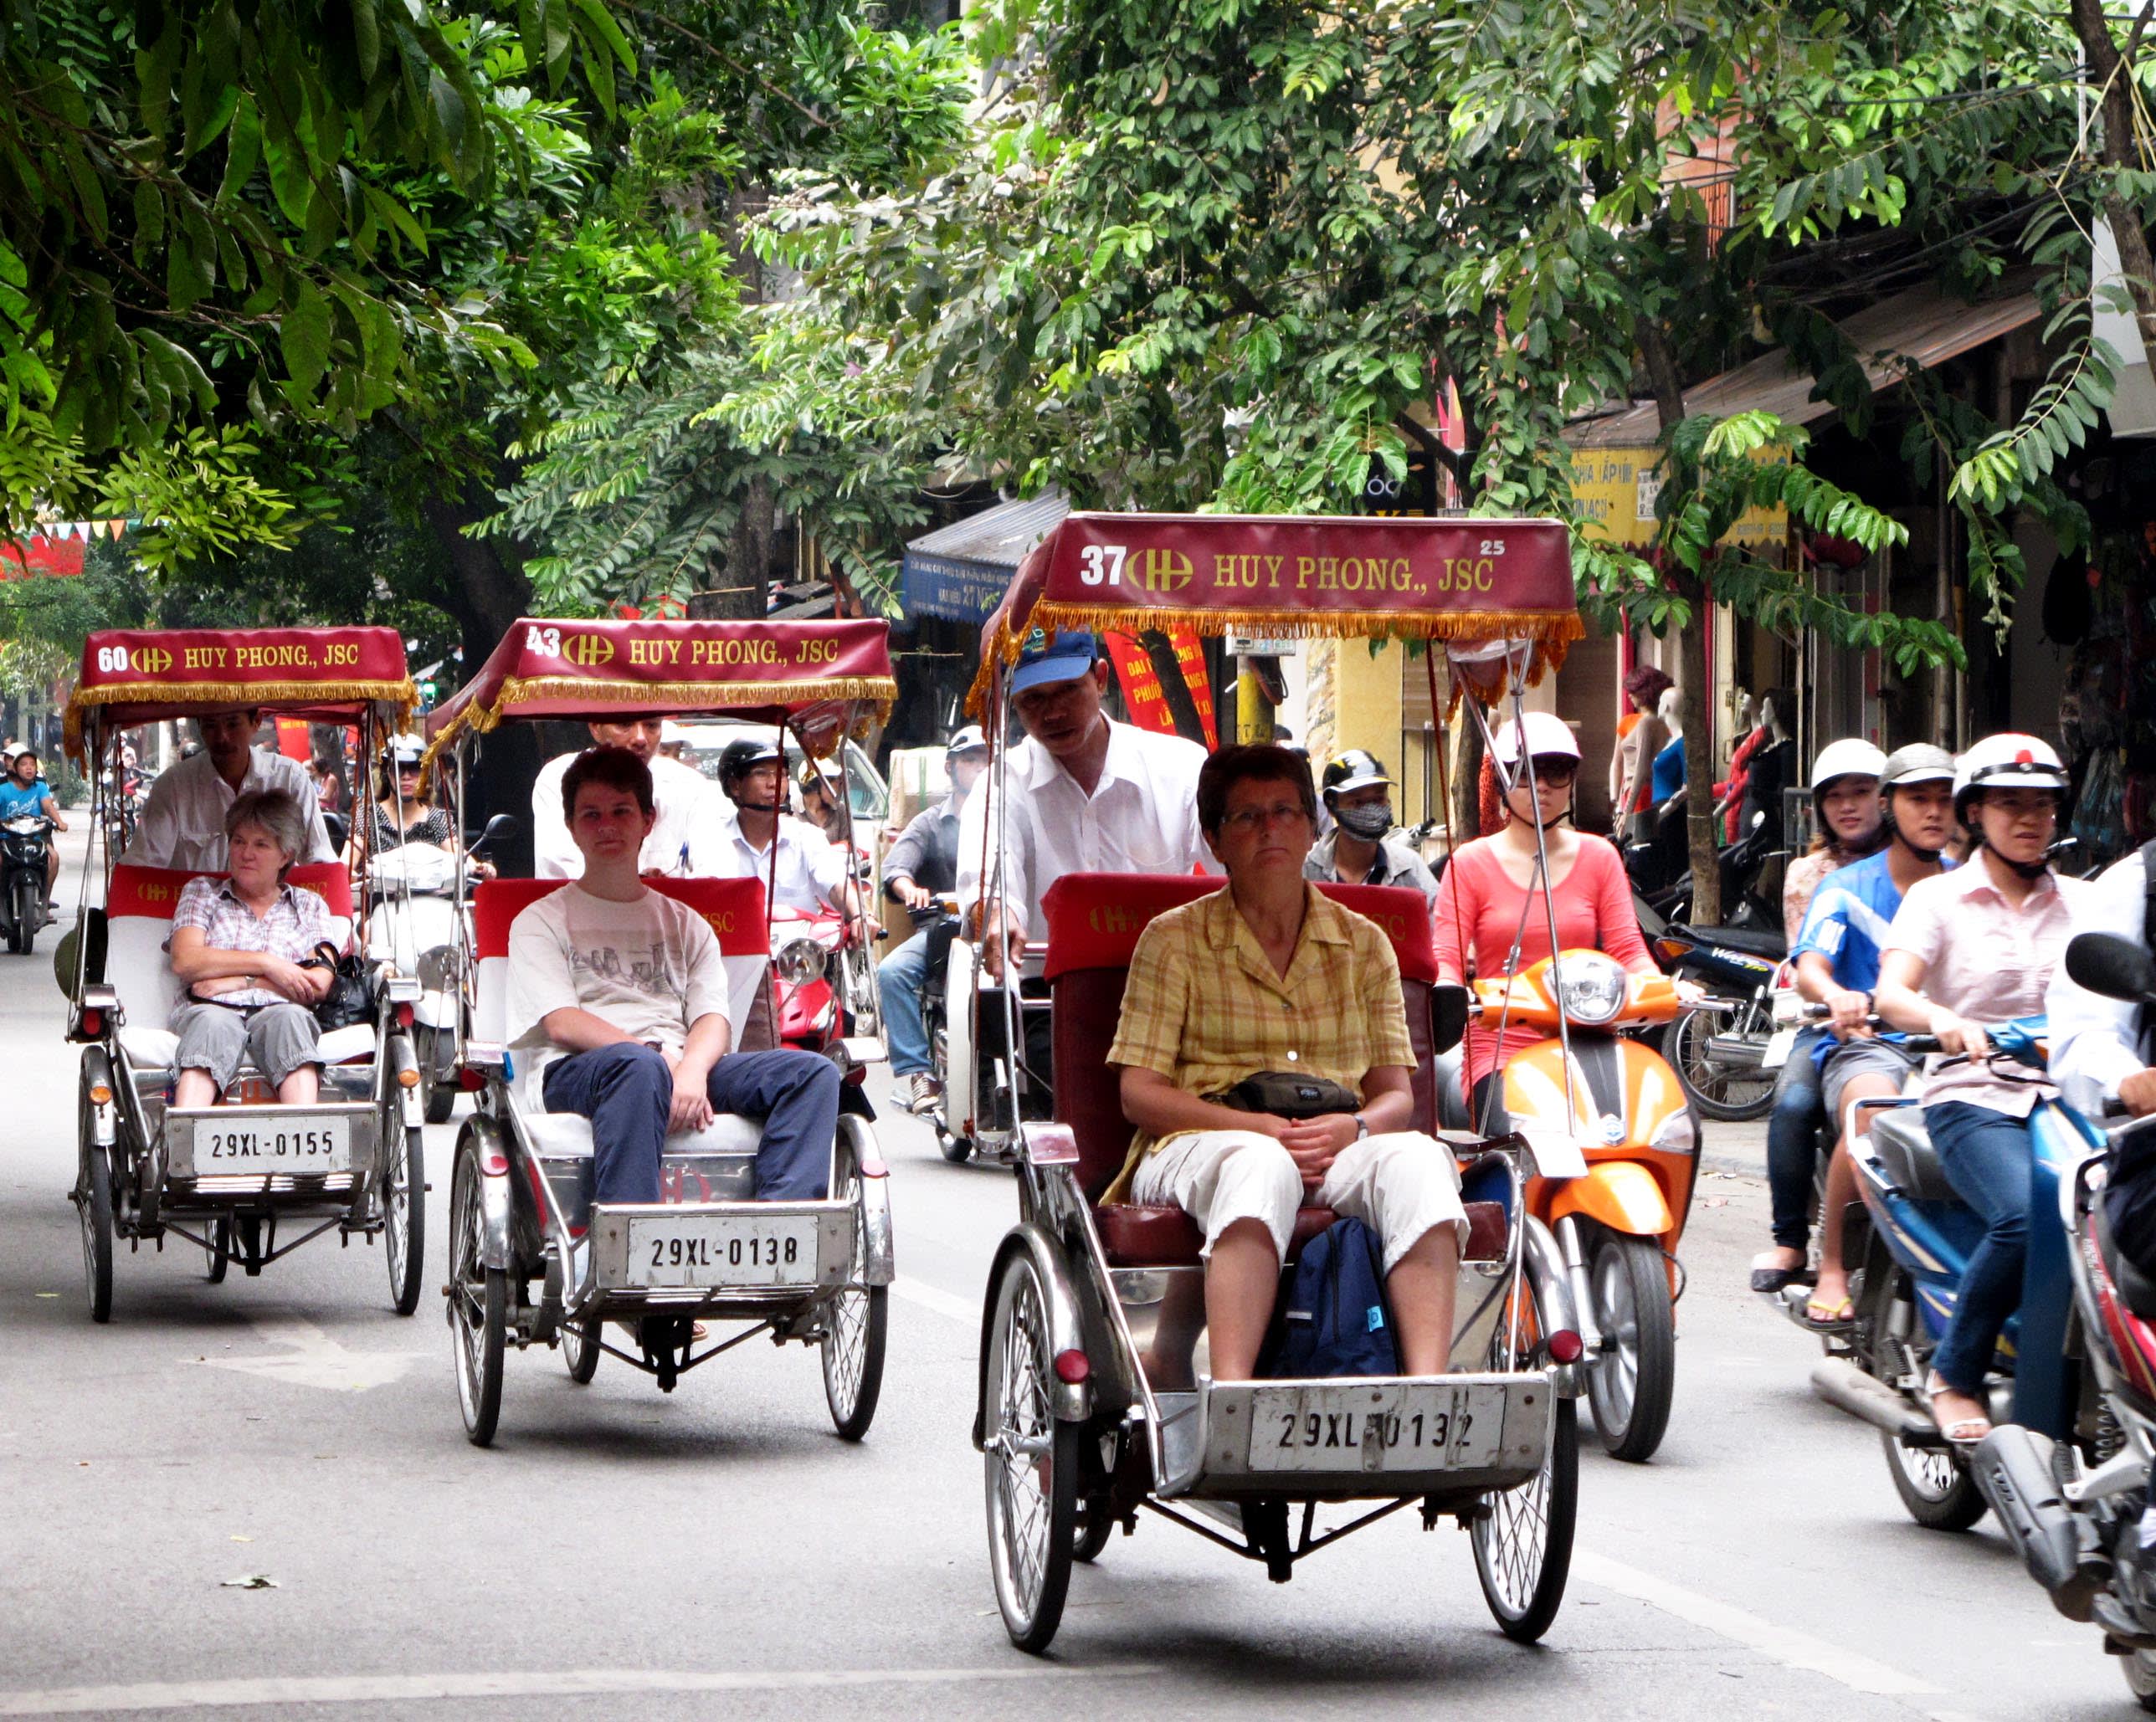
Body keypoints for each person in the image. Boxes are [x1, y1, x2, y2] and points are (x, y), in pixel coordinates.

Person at [1105, 744, 1469, 1380]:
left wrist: (1354, 1129)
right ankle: (1235, 1398)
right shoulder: (1172, 941)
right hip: (1204, 1138)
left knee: (1420, 1161)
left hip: (1337, 1139)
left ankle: (1426, 1390)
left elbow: (1395, 1096)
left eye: (1284, 811)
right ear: (1215, 839)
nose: (1269, 828)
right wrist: (1260, 1131)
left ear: (1311, 827)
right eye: (1246, 817)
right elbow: (1141, 1094)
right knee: (1260, 1165)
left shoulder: (1365, 944)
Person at [506, 748, 842, 1356]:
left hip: (678, 1066)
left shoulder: (686, 923)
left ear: (648, 820)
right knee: (635, 1068)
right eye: (591, 815)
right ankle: (630, 1255)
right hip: (584, 1071)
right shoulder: (541, 919)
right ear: (571, 825)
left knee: (812, 1074)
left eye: (620, 811)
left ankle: (776, 1238)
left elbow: (713, 1017)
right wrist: (655, 1057)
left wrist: (687, 1067)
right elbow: (560, 1021)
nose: (607, 827)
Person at [1873, 733, 2087, 1443]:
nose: (2030, 820)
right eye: (2010, 805)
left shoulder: (2087, 904)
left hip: (2076, 1095)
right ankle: (1955, 1373)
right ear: (1975, 813)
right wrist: (1945, 1020)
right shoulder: (1938, 899)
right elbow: (1892, 993)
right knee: (2032, 1215)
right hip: (1974, 1093)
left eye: (2043, 806)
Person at [1753, 744, 1956, 1320]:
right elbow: (1812, 961)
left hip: (1957, 1046)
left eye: (1946, 801)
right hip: (1858, 1037)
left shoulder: (1968, 884)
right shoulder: (1836, 884)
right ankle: (1825, 1255)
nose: (1934, 813)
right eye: (1920, 800)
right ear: (1894, 806)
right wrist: (1837, 994)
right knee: (1862, 1108)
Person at [1435, 712, 1662, 1129]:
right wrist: (1448, 992)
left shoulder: (1600, 857)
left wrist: (1664, 987)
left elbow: (1628, 949)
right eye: (1524, 774)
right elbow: (1446, 955)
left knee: (1662, 1126)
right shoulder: (1469, 863)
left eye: (1556, 773)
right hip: (1501, 1050)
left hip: (1590, 1043)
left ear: (1573, 780)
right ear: (1502, 781)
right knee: (1534, 1139)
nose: (1541, 786)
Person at [957, 629, 1213, 980]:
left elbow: (1231, 870)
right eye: (1033, 699)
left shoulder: (1181, 767)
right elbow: (986, 876)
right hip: (1045, 995)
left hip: (1167, 987)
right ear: (1012, 701)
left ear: (1101, 678)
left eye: (1068, 690)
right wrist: (997, 915)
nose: (1054, 713)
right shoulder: (999, 786)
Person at [166, 792, 341, 1110]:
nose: (246, 854)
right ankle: (186, 1149)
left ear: (286, 855)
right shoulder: (202, 893)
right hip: (211, 1011)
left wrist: (241, 982)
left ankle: (302, 1146)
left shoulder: (309, 905)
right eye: (239, 842)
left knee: (290, 1021)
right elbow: (185, 960)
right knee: (212, 1025)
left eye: (261, 845)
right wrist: (269, 964)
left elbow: (319, 983)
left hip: (280, 1012)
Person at [878, 726, 990, 1114]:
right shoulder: (929, 823)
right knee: (892, 972)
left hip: (998, 931)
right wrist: (910, 888)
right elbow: (896, 868)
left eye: (985, 760)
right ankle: (918, 1071)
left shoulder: (1007, 818)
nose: (978, 768)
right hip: (947, 932)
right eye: (969, 760)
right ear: (950, 768)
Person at [711, 739, 880, 937]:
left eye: (781, 775)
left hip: (797, 960)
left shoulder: (807, 838)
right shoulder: (712, 843)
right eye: (761, 773)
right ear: (735, 785)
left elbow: (835, 882)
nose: (773, 783)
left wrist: (860, 914)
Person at [128, 710, 334, 872]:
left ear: (256, 721)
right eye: (210, 725)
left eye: (232, 724)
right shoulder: (173, 786)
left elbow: (320, 858)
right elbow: (141, 865)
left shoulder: (290, 778)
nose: (222, 737)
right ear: (199, 728)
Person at [531, 717, 717, 879]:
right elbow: (559, 871)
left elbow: (713, 871)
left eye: (651, 726)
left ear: (648, 820)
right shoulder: (556, 778)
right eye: (624, 725)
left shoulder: (690, 784)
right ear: (596, 728)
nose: (640, 738)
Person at [1780, 735, 1887, 944]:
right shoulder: (1807, 874)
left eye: (1861, 792)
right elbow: (1804, 964)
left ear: (1885, 798)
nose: (1847, 806)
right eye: (1834, 796)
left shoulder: (1913, 864)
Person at [1304, 750, 1441, 908]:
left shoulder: (1410, 867)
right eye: (1357, 802)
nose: (1371, 810)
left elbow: (1438, 924)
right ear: (1331, 805)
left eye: (1378, 799)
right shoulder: (1305, 870)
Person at [371, 735, 495, 877]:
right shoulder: (370, 816)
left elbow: (456, 851)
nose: (406, 776)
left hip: (432, 896)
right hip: (384, 897)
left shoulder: (437, 817)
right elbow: (348, 861)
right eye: (398, 768)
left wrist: (479, 867)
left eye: (414, 769)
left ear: (425, 775)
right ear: (386, 774)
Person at [0, 746, 68, 915]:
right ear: (15, 768)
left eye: (32, 764)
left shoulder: (40, 788)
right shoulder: (3, 790)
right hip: (6, 838)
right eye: (24, 764)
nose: (29, 768)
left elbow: (47, 805)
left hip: (35, 839)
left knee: (54, 858)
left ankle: (44, 901)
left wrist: (59, 822)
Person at [1610, 664, 1674, 840]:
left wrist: (1627, 810)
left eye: (1635, 690)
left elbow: (1642, 768)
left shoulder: (1648, 723)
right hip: (1633, 790)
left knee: (1633, 842)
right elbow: (1617, 762)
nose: (1629, 694)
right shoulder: (1658, 723)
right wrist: (1617, 801)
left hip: (1639, 792)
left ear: (1646, 692)